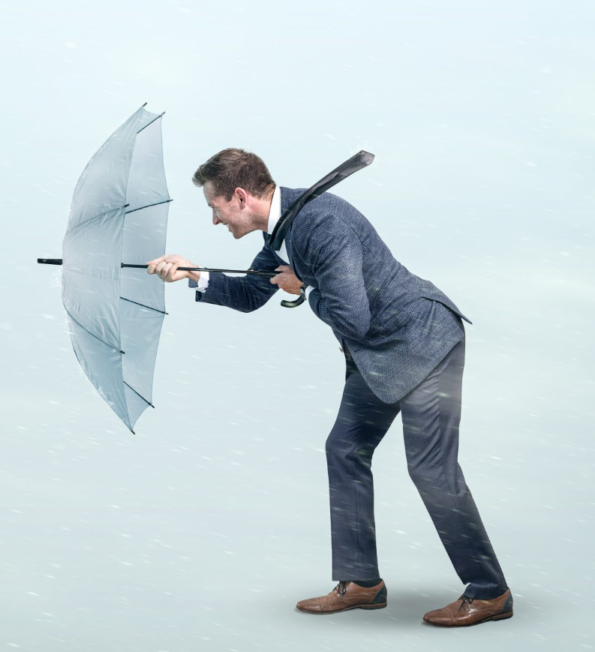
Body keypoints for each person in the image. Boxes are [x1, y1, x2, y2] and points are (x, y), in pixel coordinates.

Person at [146, 148, 512, 627]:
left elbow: (353, 319)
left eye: (214, 208)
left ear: (239, 197)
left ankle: (489, 592)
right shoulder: (282, 232)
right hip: (378, 356)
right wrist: (193, 275)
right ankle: (361, 583)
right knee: (345, 449)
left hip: (424, 343)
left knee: (429, 469)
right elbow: (252, 294)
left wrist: (305, 290)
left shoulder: (321, 225)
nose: (215, 220)